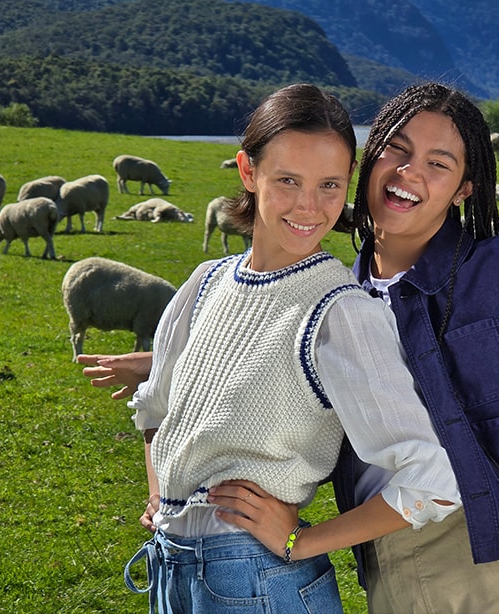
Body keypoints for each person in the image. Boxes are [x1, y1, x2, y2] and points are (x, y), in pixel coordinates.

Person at [82, 82, 499, 613]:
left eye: (438, 163)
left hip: (487, 569)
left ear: (464, 189)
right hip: (386, 571)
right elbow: (315, 375)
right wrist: (184, 361)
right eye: (396, 150)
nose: (408, 173)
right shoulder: (342, 288)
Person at [106, 82, 461, 613]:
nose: (309, 206)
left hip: (255, 578)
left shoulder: (341, 312)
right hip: (171, 565)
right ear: (248, 172)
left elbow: (434, 478)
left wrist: (303, 541)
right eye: (288, 180)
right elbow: (155, 409)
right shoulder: (204, 284)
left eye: (329, 185)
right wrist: (162, 496)